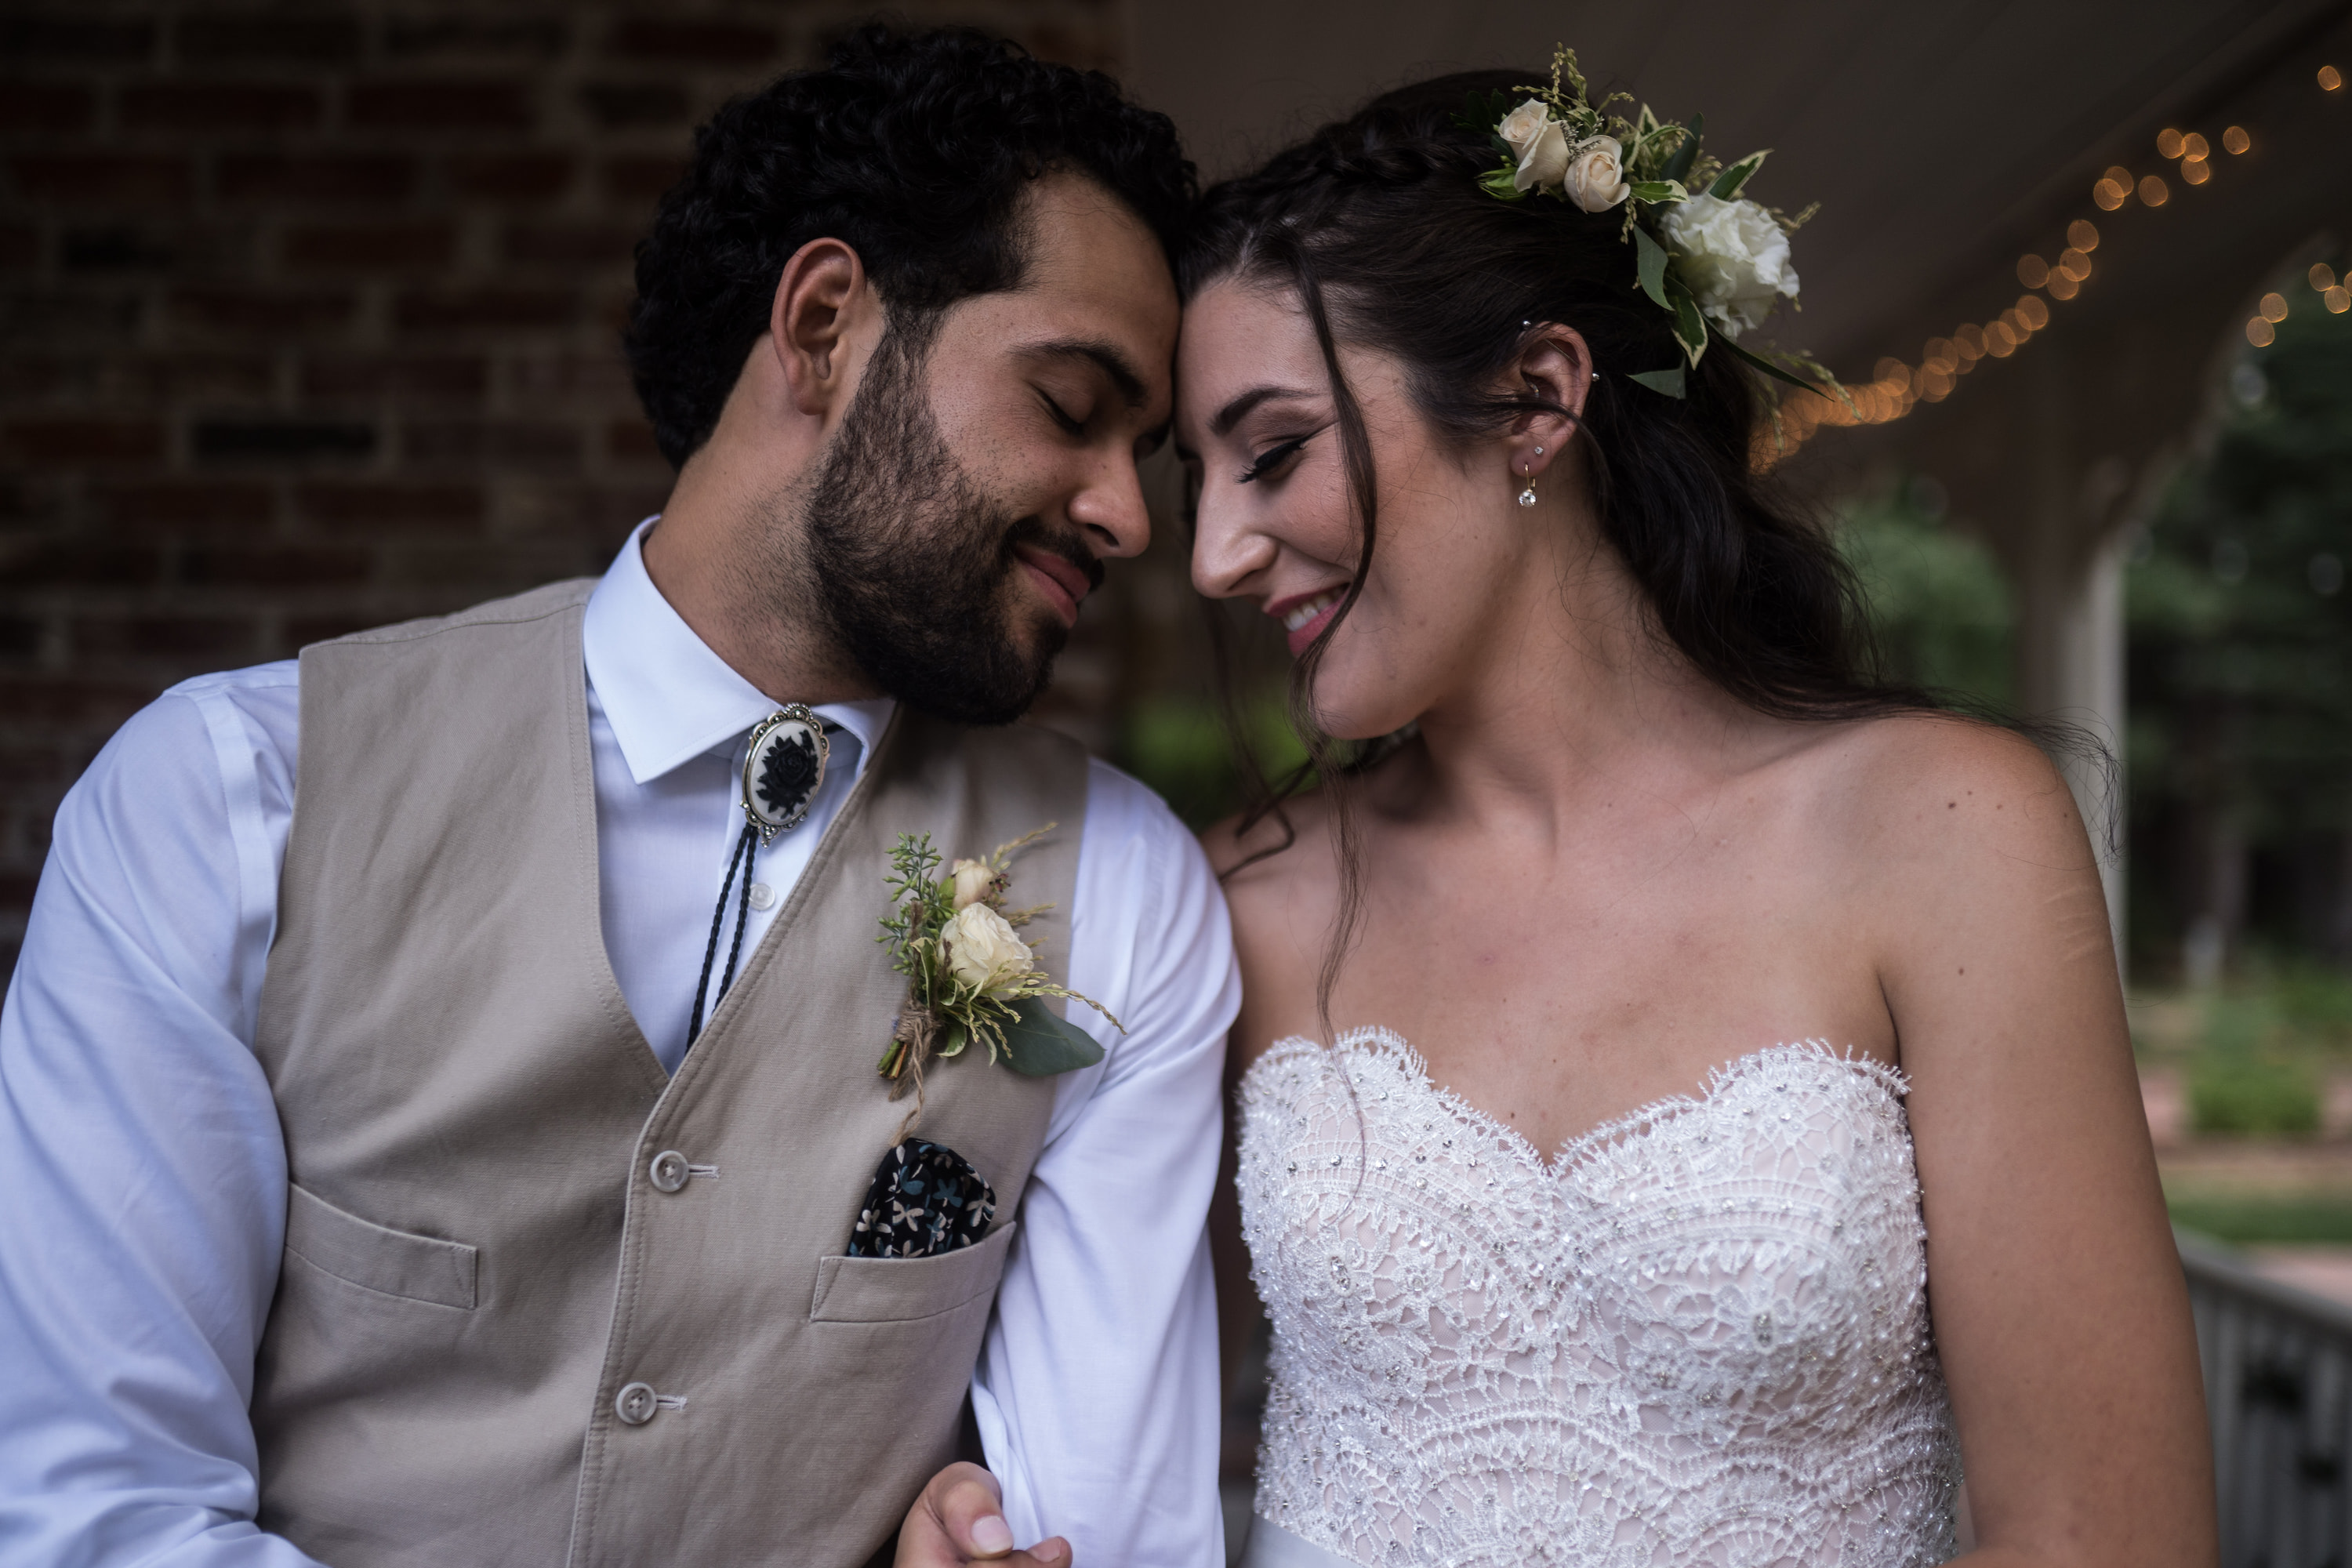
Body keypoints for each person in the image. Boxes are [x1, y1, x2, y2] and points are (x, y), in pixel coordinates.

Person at [0, 27, 1233, 1568]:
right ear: (827, 321)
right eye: (1070, 404)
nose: (1128, 513)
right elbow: (99, 1523)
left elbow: (1107, 1537)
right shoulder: (231, 802)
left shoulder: (1119, 890)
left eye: (1149, 456)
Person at [1174, 65, 2216, 1568]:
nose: (1213, 552)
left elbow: (2106, 1535)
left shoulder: (1938, 834)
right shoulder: (1236, 901)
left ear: (1537, 400)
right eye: (1194, 474)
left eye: (1271, 452)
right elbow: (1090, 1427)